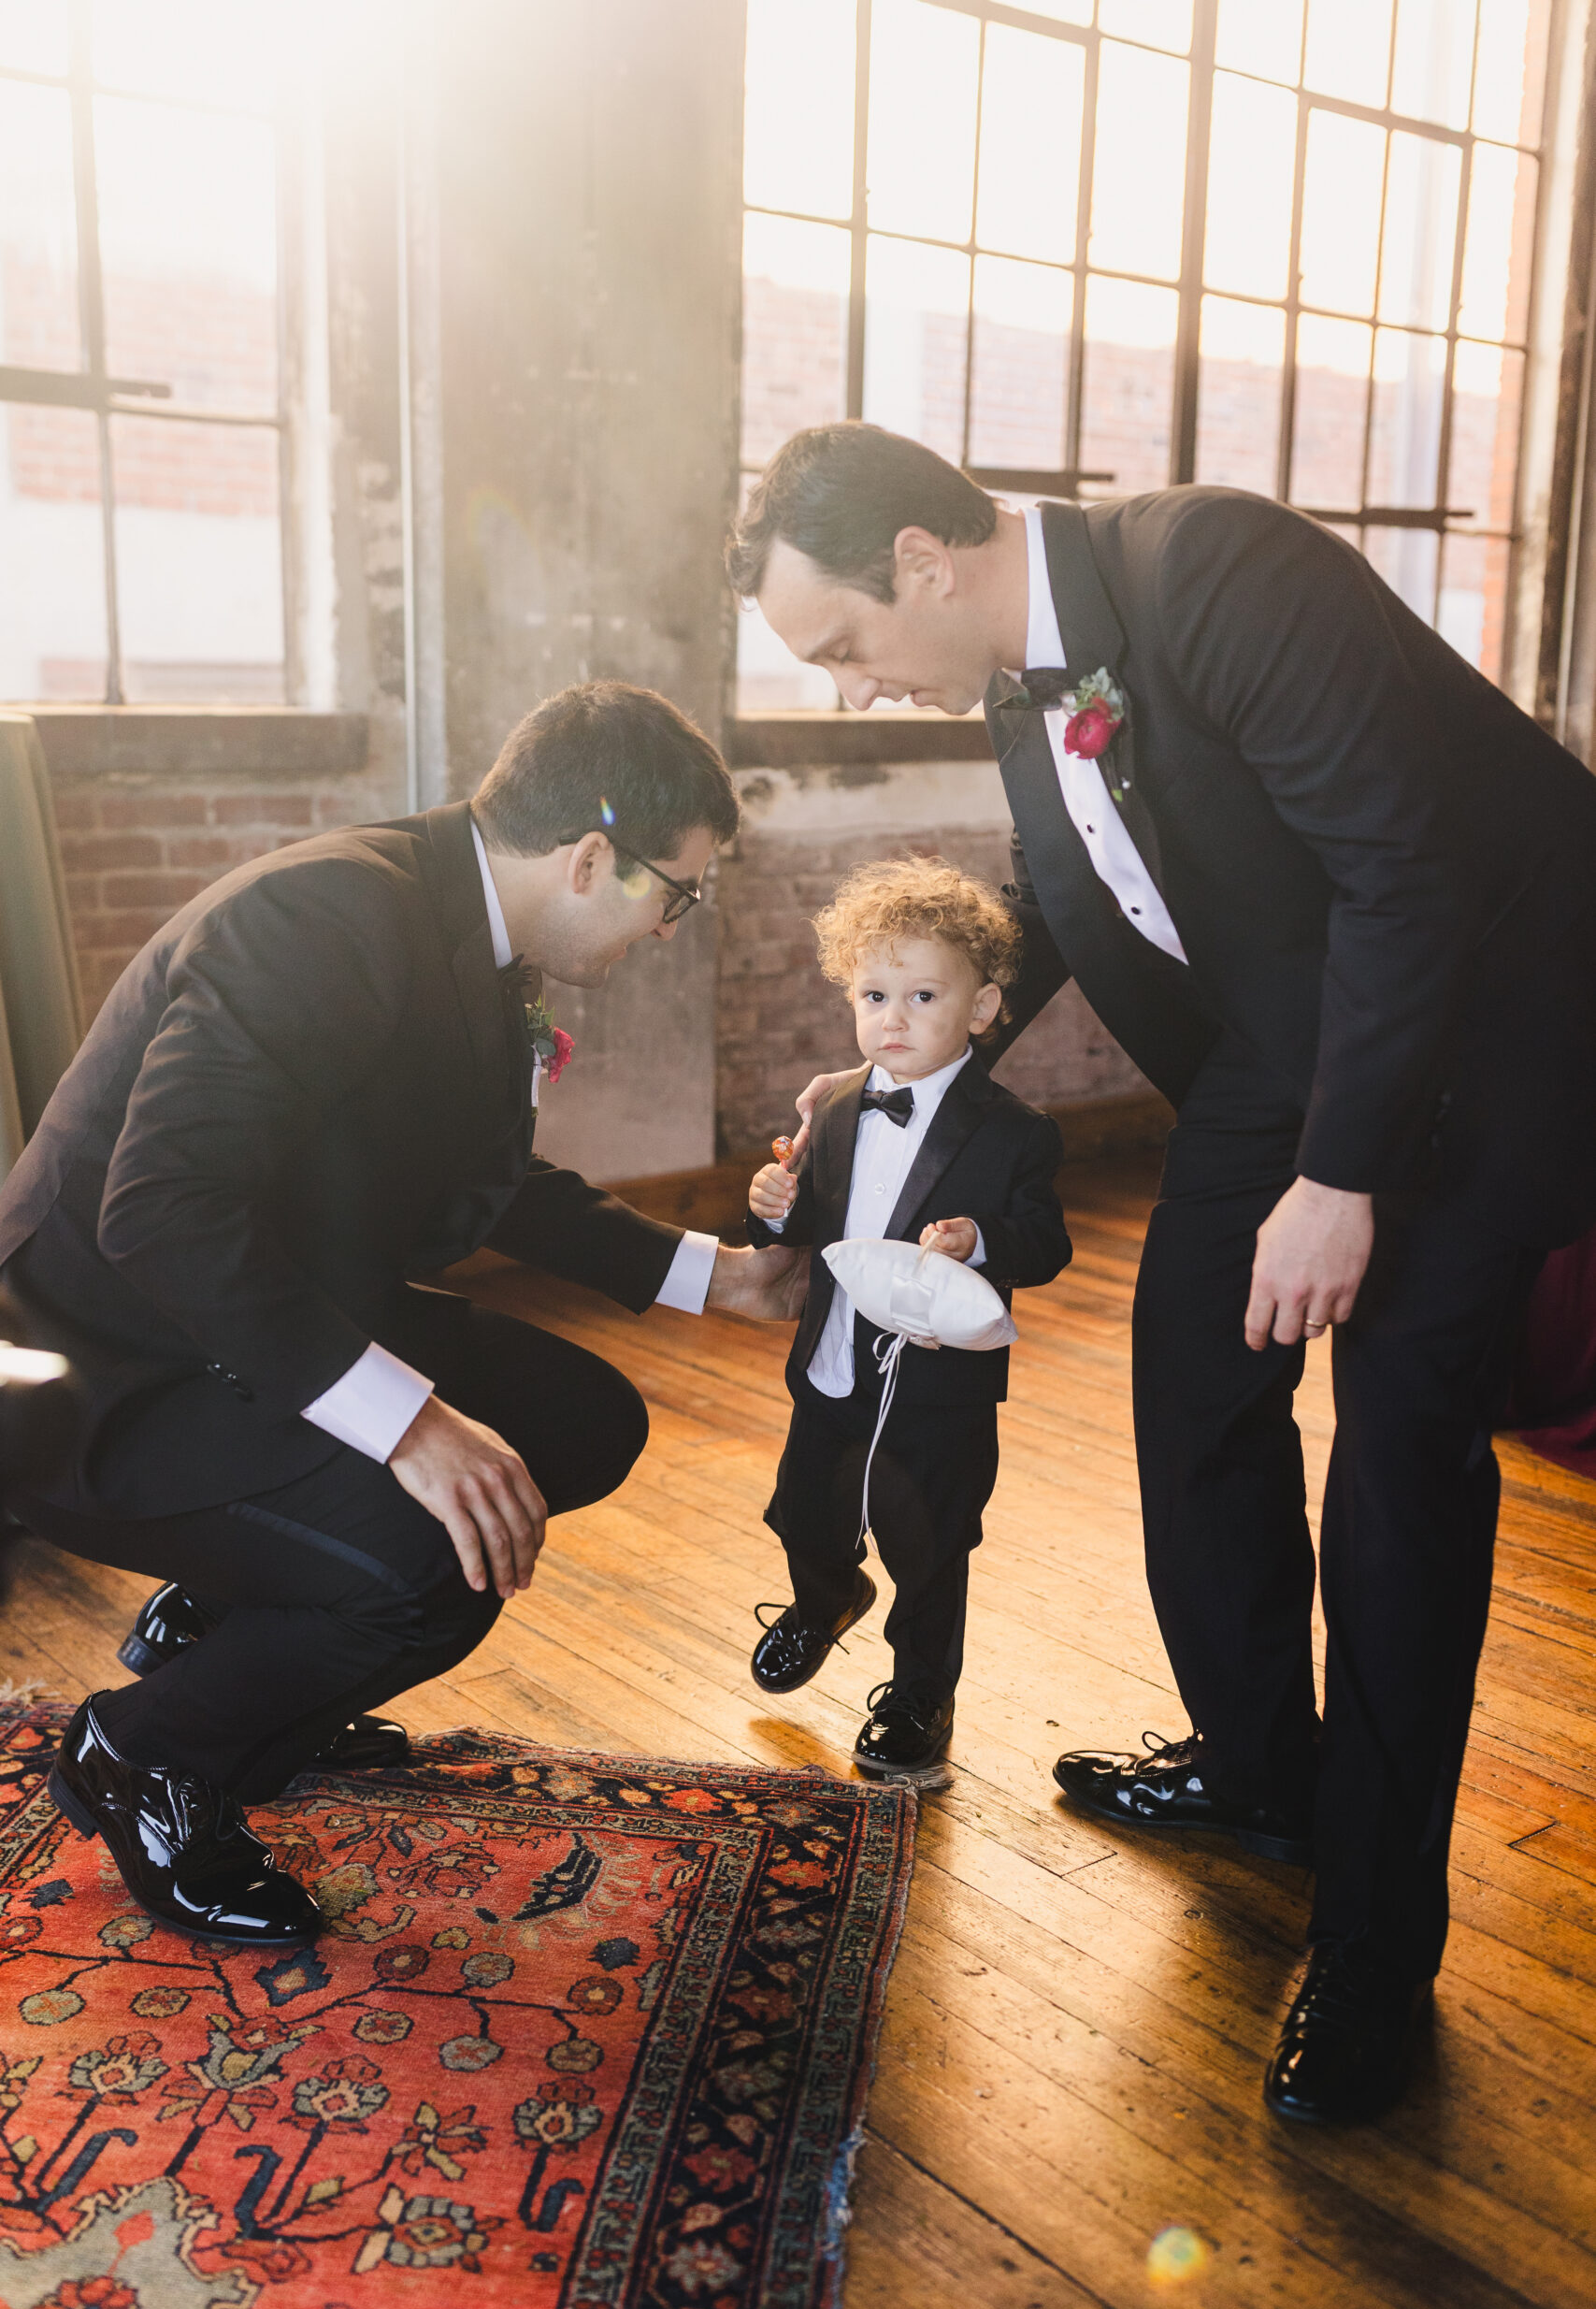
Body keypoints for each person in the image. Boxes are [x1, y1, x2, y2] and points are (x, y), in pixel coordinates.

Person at [726, 422, 1596, 2125]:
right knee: (1193, 1376)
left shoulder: (1217, 567)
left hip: (1492, 1039)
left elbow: (1404, 869)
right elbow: (1071, 893)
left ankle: (1372, 1940)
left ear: (921, 558)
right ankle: (1263, 1770)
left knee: (1399, 1455)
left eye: (841, 646)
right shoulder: (1003, 667)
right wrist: (916, 1057)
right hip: (1296, 1036)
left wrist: (1337, 1180)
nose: (848, 685)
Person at [0, 680, 802, 1946]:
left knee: (579, 1421)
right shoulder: (321, 918)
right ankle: (146, 1754)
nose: (672, 929)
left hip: (242, 1330)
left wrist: (720, 1274)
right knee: (438, 1557)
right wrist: (412, 1428)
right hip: (103, 1373)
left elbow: (484, 1176)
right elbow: (161, 1215)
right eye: (677, 894)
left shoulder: (458, 919)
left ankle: (228, 1617)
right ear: (590, 857)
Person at [744, 858, 1071, 1782]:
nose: (894, 1016)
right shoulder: (839, 1107)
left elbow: (1046, 1245)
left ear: (982, 1008)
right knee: (802, 1513)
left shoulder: (1016, 1132)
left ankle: (920, 1694)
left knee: (929, 1549)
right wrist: (774, 1205)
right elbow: (813, 1225)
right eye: (874, 993)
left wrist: (979, 1241)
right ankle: (825, 1597)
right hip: (833, 1370)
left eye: (923, 994)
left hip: (940, 1393)